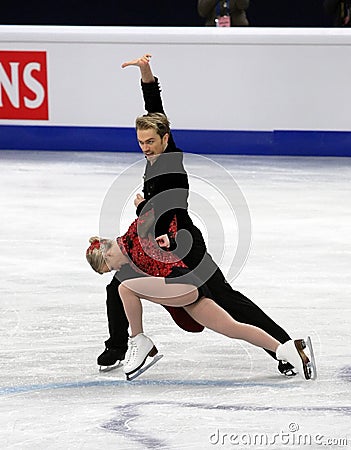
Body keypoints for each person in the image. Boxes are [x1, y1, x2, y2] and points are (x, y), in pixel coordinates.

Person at [98, 54, 295, 377]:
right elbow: (154, 109)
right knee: (117, 285)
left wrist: (148, 213)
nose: (145, 147)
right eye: (140, 142)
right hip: (160, 244)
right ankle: (120, 345)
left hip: (184, 244)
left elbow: (171, 208)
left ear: (165, 138)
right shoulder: (155, 155)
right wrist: (145, 73)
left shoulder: (171, 158)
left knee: (226, 300)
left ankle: (285, 346)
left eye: (151, 141)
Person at [86, 219, 316, 381]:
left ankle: (139, 340)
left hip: (189, 268)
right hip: (188, 286)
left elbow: (168, 213)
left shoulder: (135, 233)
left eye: (109, 268)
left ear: (106, 255)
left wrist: (167, 232)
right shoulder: (128, 258)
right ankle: (287, 350)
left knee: (125, 288)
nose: (115, 270)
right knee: (232, 327)